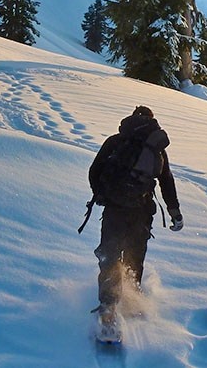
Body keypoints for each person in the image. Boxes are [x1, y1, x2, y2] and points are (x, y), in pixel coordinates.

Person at [87, 106, 182, 328]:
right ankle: (132, 300)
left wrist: (101, 194)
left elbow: (95, 170)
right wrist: (174, 211)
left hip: (115, 208)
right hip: (141, 211)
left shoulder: (116, 141)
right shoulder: (156, 148)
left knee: (110, 253)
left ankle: (108, 305)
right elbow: (166, 181)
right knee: (135, 255)